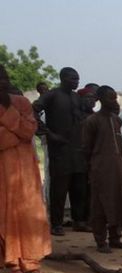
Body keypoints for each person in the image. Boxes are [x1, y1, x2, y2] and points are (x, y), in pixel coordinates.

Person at [1, 64, 52, 273]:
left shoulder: (21, 102)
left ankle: (30, 262)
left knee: (29, 214)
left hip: (25, 169)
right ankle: (11, 261)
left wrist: (9, 123)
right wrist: (15, 132)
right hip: (3, 169)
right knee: (5, 213)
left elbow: (29, 129)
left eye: (4, 78)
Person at [34, 67, 87, 235]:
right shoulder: (52, 95)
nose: (76, 82)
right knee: (59, 187)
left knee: (78, 186)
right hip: (60, 148)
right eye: (73, 79)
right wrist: (48, 133)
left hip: (77, 148)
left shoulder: (76, 97)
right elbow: (33, 110)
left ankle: (78, 220)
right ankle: (56, 223)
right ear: (63, 78)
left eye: (77, 79)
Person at [81, 86, 122, 253]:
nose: (114, 101)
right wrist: (93, 167)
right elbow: (86, 148)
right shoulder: (92, 121)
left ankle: (115, 238)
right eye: (110, 97)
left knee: (118, 201)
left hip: (117, 168)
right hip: (100, 169)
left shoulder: (117, 120)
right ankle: (100, 240)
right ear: (101, 99)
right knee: (100, 204)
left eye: (115, 97)